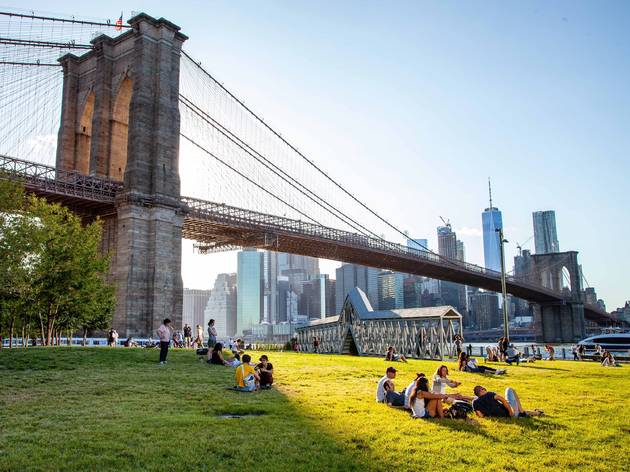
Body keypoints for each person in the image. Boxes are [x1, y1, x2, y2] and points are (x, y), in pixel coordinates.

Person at [472, 385, 543, 418]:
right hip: (509, 413)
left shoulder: (474, 403)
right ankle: (522, 411)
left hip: (501, 416)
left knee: (521, 412)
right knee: (509, 389)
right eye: (484, 389)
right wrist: (510, 412)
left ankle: (537, 413)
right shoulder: (489, 394)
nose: (485, 390)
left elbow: (480, 415)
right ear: (481, 390)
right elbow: (503, 400)